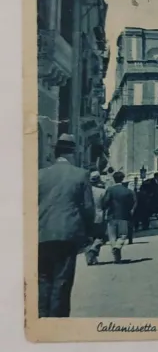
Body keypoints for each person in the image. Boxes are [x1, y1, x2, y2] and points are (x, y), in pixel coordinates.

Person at [38, 134, 95, 317]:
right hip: (67, 233)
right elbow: (88, 208)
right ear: (72, 153)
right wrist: (88, 234)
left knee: (43, 279)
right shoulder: (80, 174)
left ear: (56, 153)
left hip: (41, 234)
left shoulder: (40, 174)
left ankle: (42, 318)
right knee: (62, 280)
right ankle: (58, 322)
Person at [102, 171, 137, 263]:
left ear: (114, 179)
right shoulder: (128, 191)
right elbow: (133, 203)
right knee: (123, 235)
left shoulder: (110, 190)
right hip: (124, 216)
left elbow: (105, 202)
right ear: (122, 179)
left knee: (112, 236)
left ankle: (115, 250)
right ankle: (117, 248)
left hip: (111, 216)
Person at [85, 171, 107, 266]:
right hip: (99, 216)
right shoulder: (102, 191)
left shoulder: (84, 192)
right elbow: (106, 205)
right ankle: (93, 250)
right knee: (101, 237)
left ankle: (91, 258)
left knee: (89, 238)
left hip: (86, 217)